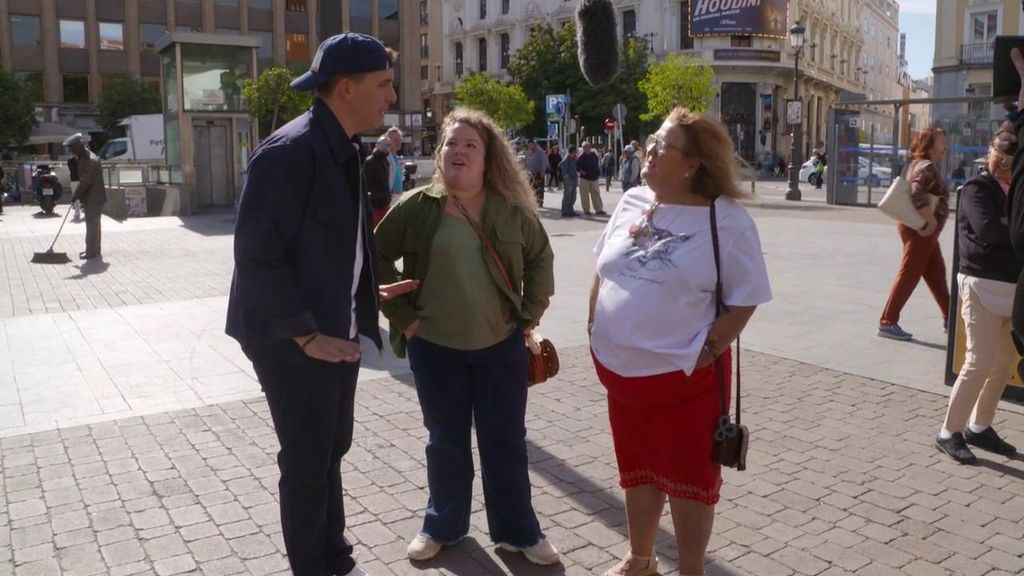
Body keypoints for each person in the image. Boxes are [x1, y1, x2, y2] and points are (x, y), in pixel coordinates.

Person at [225, 33, 417, 576]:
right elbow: (258, 259)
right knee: (308, 460)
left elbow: (341, 245)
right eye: (382, 85)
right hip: (291, 337)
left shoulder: (343, 146)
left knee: (332, 447)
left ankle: (335, 557)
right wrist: (306, 335)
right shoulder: (291, 153)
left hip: (330, 327)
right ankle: (315, 566)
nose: (390, 96)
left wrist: (364, 293)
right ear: (347, 87)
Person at [589, 107, 771, 576]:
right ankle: (641, 559)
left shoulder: (724, 218)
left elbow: (746, 298)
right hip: (622, 377)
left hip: (685, 380)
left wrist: (707, 352)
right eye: (653, 139)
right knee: (638, 469)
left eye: (662, 145)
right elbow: (601, 269)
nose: (649, 150)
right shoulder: (631, 199)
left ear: (691, 164)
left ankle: (691, 570)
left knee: (689, 482)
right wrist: (595, 328)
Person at [375, 108, 558, 566]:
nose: (458, 152)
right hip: (434, 349)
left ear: (487, 158)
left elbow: (541, 261)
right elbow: (373, 256)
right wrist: (405, 319)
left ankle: (519, 531)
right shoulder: (417, 207)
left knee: (506, 443)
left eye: (469, 145)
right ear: (439, 154)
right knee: (446, 442)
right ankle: (443, 525)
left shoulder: (511, 211)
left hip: (500, 350)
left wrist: (528, 316)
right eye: (450, 144)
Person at [936, 141, 1021, 464]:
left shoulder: (1017, 191)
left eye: (1013, 156)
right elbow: (988, 231)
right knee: (979, 361)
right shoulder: (977, 187)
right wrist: (1014, 230)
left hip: (1013, 290)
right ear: (989, 151)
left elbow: (1004, 232)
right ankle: (948, 432)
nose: (1005, 160)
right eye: (1000, 152)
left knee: (1002, 365)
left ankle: (979, 425)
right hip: (981, 285)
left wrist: (1008, 229)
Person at [878, 127, 950, 341]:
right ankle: (887, 321)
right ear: (929, 145)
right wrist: (929, 218)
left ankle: (951, 318)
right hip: (921, 230)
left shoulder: (917, 164)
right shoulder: (927, 167)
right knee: (909, 273)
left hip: (921, 230)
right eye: (941, 143)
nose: (944, 148)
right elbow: (917, 192)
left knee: (936, 274)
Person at [64, 133, 106, 260]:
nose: (71, 151)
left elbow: (86, 181)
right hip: (92, 196)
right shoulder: (85, 156)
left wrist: (75, 195)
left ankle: (91, 252)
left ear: (78, 146)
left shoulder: (88, 159)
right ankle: (93, 250)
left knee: (92, 225)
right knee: (93, 224)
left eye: (72, 148)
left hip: (94, 196)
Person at [364, 136, 392, 227]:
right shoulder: (370, 162)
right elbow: (365, 184)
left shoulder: (385, 161)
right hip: (375, 207)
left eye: (388, 145)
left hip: (385, 204)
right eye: (384, 144)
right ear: (377, 145)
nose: (386, 147)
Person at [578, 142, 605, 216]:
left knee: (596, 194)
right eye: (584, 148)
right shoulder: (581, 157)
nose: (585, 149)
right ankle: (586, 210)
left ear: (590, 148)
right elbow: (577, 166)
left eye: (587, 147)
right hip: (584, 178)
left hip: (594, 177)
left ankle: (598, 209)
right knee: (584, 195)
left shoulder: (594, 155)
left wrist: (598, 173)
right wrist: (581, 171)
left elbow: (598, 165)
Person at [525, 139, 547, 206]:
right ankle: (533, 201)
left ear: (534, 144)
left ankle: (540, 201)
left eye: (531, 144)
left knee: (539, 188)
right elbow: (526, 161)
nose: (530, 146)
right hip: (531, 173)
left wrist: (543, 171)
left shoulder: (540, 151)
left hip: (538, 172)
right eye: (528, 145)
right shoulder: (528, 152)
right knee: (532, 187)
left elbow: (544, 161)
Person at [560, 145, 579, 218]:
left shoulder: (573, 158)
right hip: (568, 179)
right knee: (567, 195)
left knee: (573, 196)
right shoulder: (566, 159)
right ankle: (565, 211)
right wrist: (567, 179)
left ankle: (571, 209)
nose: (576, 153)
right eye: (575, 151)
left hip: (574, 179)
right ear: (572, 151)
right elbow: (565, 170)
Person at [386, 126, 404, 194]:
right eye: (396, 140)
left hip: (396, 196)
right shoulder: (385, 157)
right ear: (388, 141)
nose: (399, 142)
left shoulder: (394, 156)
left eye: (400, 139)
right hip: (389, 196)